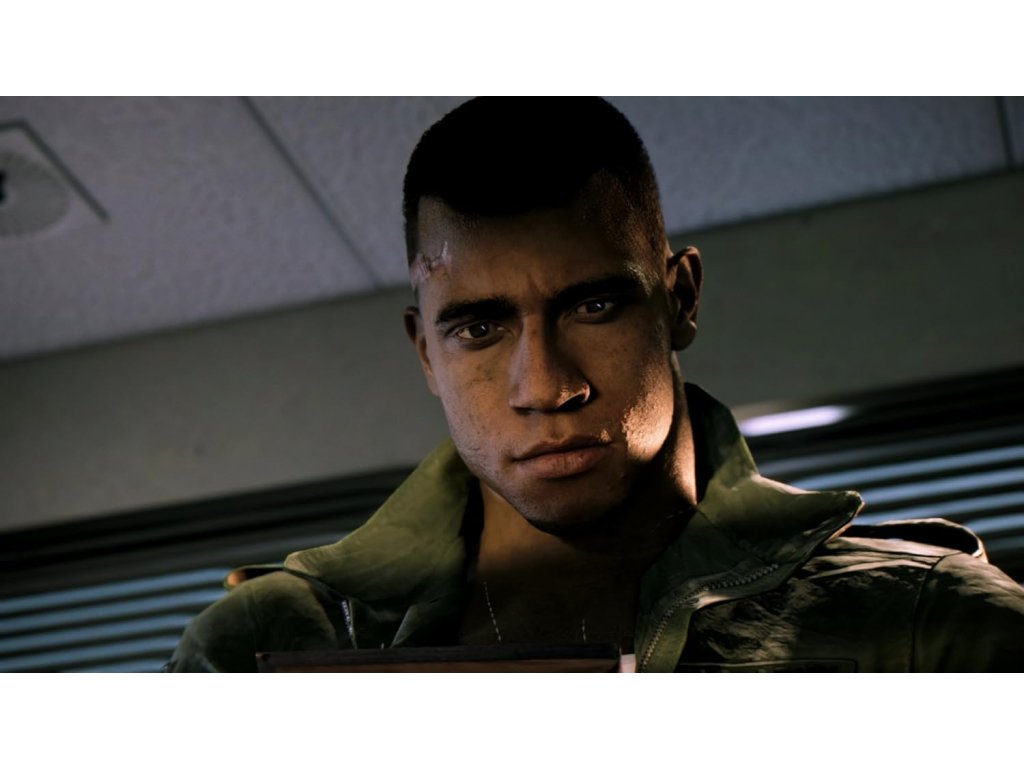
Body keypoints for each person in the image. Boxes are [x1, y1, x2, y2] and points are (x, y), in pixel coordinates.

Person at [166, 97, 1024, 672]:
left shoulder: (929, 626)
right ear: (426, 352)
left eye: (593, 306)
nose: (546, 387)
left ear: (680, 299)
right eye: (479, 328)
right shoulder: (264, 649)